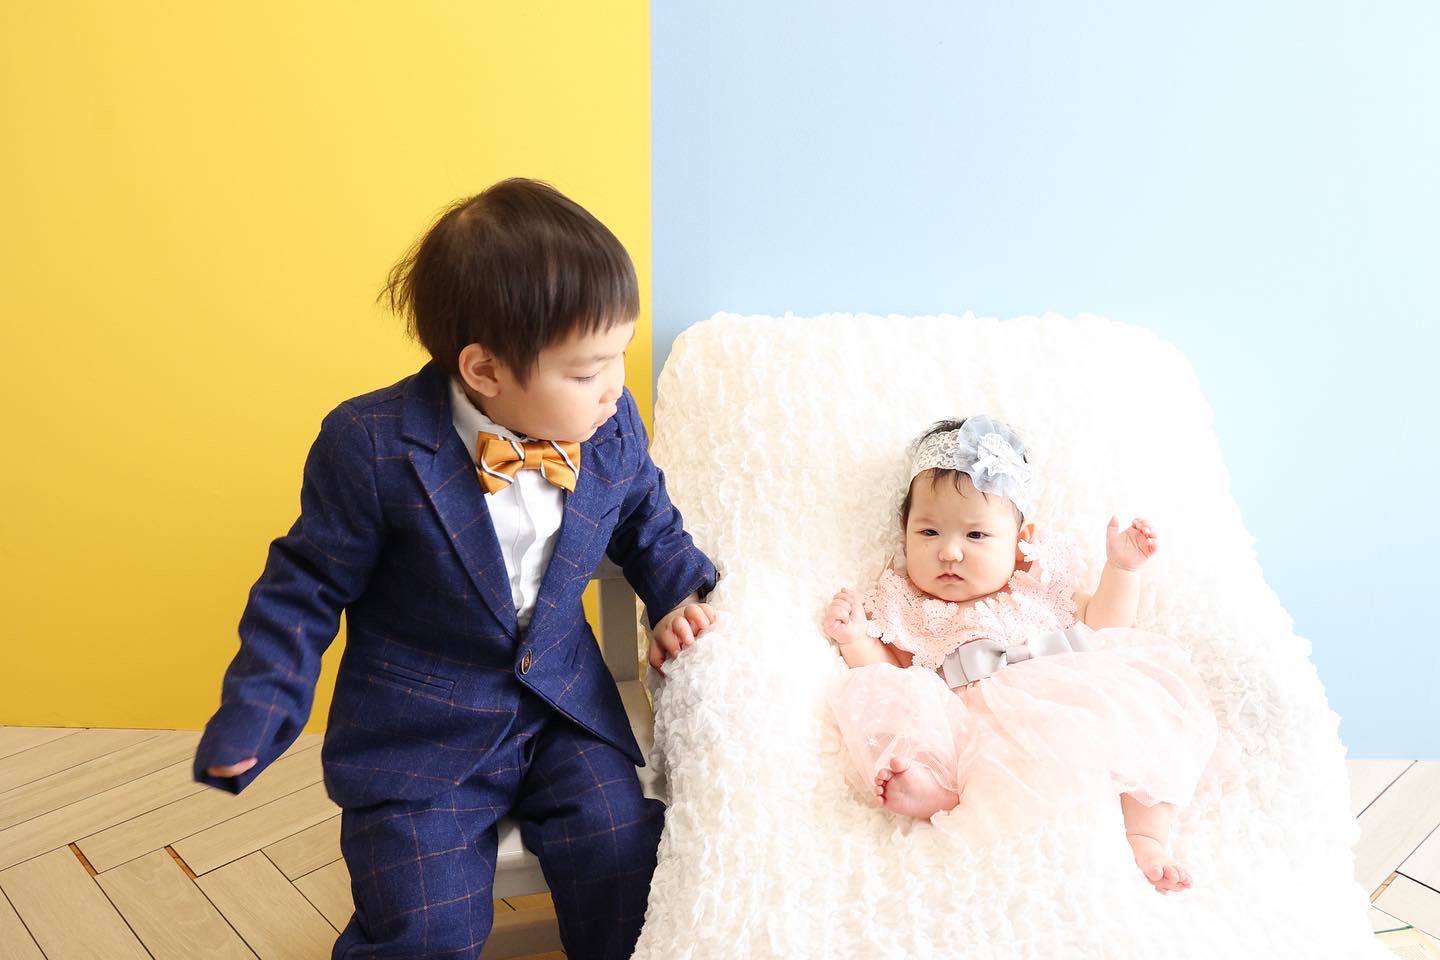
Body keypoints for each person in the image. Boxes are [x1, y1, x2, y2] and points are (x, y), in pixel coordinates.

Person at [194, 178, 718, 959]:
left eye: (618, 356)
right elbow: (303, 588)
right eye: (587, 370)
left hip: (561, 712)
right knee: (424, 926)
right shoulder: (372, 446)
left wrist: (678, 594)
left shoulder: (610, 425)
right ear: (484, 370)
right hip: (418, 738)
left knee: (622, 856)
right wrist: (259, 705)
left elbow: (647, 518)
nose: (615, 385)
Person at [824, 415, 1219, 893]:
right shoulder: (908, 606)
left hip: (1065, 695)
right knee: (930, 729)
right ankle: (941, 792)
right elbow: (892, 677)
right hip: (975, 719)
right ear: (905, 533)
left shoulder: (1038, 585)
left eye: (975, 536)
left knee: (1142, 720)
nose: (950, 552)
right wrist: (855, 639)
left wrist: (1121, 569)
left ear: (1020, 541)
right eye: (928, 533)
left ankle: (1147, 836)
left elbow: (1105, 629)